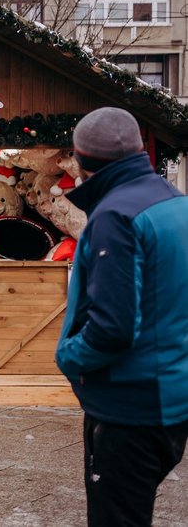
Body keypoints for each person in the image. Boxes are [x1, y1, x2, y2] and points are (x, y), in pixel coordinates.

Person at [55, 107, 188, 526]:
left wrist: (68, 358)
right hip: (170, 398)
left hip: (129, 407)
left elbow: (112, 328)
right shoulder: (174, 203)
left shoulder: (115, 216)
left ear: (81, 160)